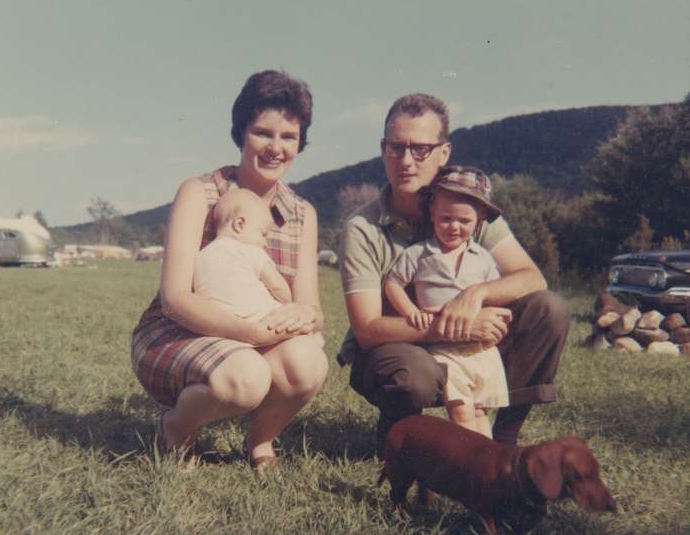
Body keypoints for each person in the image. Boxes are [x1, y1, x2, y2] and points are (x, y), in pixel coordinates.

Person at [338, 93, 570, 451]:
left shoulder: (468, 208)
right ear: (383, 148)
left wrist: (475, 295)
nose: (405, 161)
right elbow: (368, 330)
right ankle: (400, 428)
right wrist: (460, 325)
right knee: (410, 375)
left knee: (547, 308)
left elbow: (531, 278)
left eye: (420, 149)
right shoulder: (362, 228)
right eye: (395, 147)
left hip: (473, 345)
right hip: (398, 349)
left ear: (444, 153)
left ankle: (505, 440)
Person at [131, 70, 328, 475]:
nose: (275, 148)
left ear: (300, 143)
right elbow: (175, 299)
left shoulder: (302, 214)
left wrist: (302, 316)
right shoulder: (200, 192)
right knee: (245, 376)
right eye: (262, 133)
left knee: (308, 362)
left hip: (259, 333)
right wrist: (252, 334)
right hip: (179, 331)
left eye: (288, 137)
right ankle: (176, 427)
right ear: (241, 133)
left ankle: (259, 440)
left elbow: (313, 307)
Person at [384, 166, 508, 438]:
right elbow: (392, 283)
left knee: (478, 410)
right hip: (442, 348)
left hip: (479, 349)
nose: (454, 227)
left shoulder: (483, 258)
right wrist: (411, 311)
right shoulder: (419, 253)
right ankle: (465, 461)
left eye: (464, 221)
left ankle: (485, 466)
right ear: (431, 213)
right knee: (461, 410)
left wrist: (495, 317)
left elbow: (495, 292)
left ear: (480, 219)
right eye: (445, 219)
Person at [192, 188, 292, 323]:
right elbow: (279, 288)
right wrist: (290, 303)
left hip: (221, 326)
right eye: (263, 234)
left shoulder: (200, 257)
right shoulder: (251, 250)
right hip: (263, 319)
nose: (265, 243)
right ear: (239, 225)